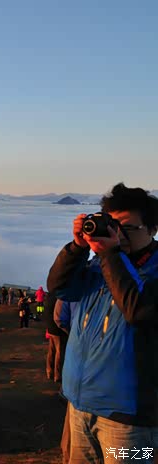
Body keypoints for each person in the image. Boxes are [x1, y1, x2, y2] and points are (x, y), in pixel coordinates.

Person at [47, 183, 158, 462]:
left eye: (128, 228)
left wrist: (111, 254)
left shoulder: (151, 271)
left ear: (153, 229)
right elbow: (59, 288)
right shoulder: (99, 266)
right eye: (113, 226)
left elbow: (138, 311)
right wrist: (77, 248)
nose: (118, 235)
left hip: (130, 420)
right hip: (80, 405)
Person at [44, 290, 67, 383]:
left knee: (51, 350)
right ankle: (58, 375)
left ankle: (49, 371)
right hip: (57, 330)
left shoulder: (49, 297)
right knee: (59, 352)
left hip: (50, 328)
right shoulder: (60, 298)